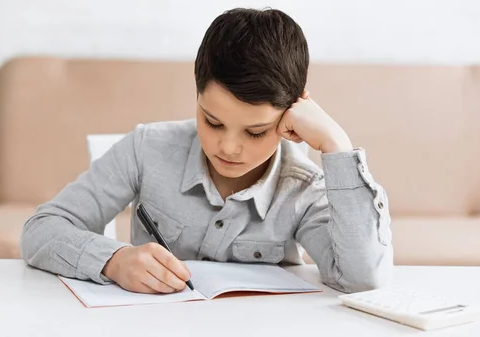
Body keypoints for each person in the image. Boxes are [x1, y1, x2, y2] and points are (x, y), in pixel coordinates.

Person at [20, 7, 393, 295]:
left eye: (256, 131)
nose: (228, 147)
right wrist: (113, 260)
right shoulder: (147, 149)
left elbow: (362, 281)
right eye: (213, 122)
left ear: (292, 116)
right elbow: (41, 231)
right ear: (196, 95)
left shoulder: (304, 185)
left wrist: (336, 145)